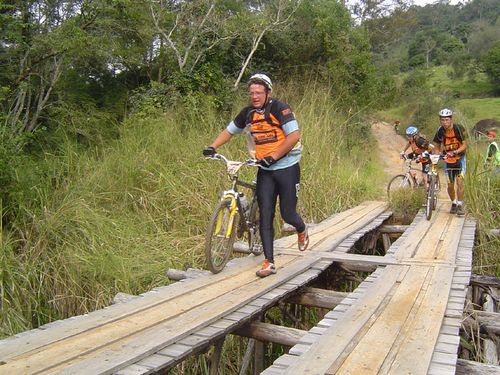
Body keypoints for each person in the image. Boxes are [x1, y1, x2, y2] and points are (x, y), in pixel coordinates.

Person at [202, 73, 309, 278]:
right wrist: (212, 147)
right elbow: (230, 131)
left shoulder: (280, 108)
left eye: (259, 92)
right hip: (265, 171)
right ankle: (269, 262)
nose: (255, 96)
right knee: (265, 215)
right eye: (251, 93)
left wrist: (274, 156)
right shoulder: (248, 113)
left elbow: (294, 135)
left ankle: (301, 228)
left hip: (287, 168)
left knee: (287, 213)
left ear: (268, 92)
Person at [432, 108, 468, 216]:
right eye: (442, 120)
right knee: (450, 186)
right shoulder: (440, 131)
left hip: (460, 159)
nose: (445, 122)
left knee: (460, 182)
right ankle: (453, 203)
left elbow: (465, 145)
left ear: (451, 119)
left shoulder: (458, 128)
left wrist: (455, 152)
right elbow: (437, 147)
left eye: (447, 120)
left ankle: (460, 205)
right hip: (448, 161)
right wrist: (437, 155)